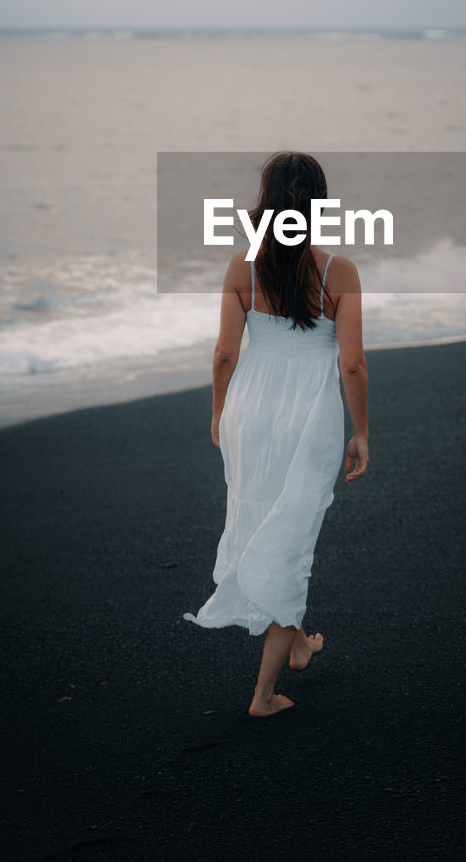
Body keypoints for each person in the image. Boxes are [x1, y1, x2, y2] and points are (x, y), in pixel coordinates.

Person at [183, 150, 369, 718]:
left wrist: (219, 413)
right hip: (309, 415)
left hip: (250, 412)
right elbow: (353, 366)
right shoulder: (339, 272)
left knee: (272, 520)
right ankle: (263, 696)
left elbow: (224, 353)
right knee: (292, 537)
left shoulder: (244, 265)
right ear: (319, 202)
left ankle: (299, 645)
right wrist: (361, 432)